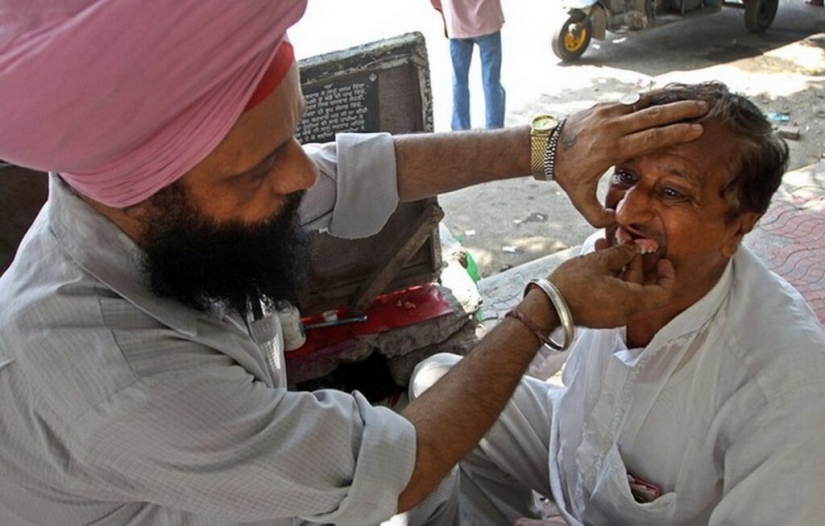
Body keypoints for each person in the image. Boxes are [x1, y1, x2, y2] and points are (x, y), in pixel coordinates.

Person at [0, 2, 709, 525]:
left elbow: (364, 169)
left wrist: (547, 147)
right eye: (262, 168)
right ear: (145, 200)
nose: (302, 176)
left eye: (293, 136)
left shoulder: (173, 206)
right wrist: (545, 308)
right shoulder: (113, 380)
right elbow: (397, 471)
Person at [411, 82, 825, 525]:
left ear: (738, 229)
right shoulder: (608, 260)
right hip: (572, 458)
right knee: (442, 384)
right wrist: (548, 305)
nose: (625, 212)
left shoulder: (786, 389)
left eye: (671, 192)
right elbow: (518, 356)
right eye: (625, 175)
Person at [430, 0, 507, 130]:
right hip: (489, 20)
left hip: (457, 23)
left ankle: (460, 132)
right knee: (491, 82)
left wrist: (445, 16)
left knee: (459, 82)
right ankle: (495, 131)